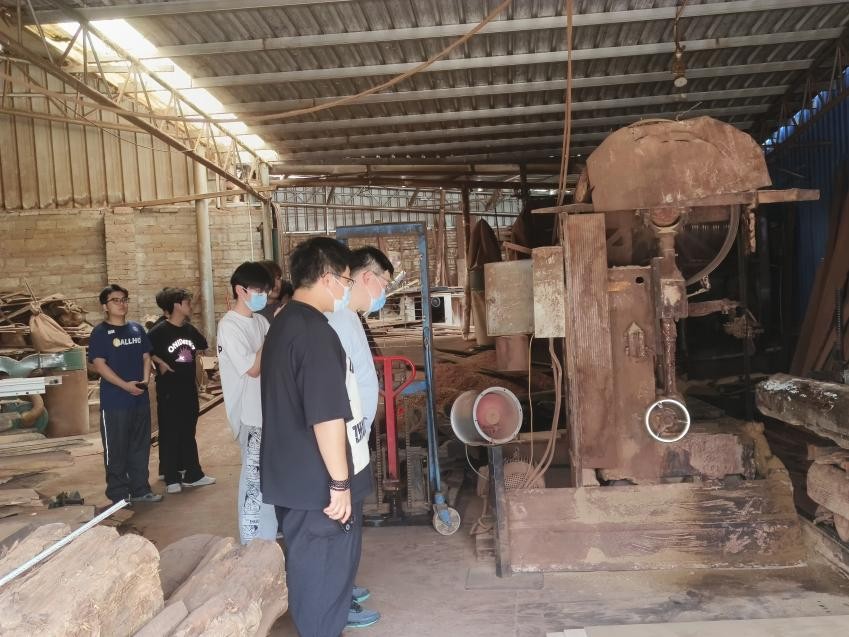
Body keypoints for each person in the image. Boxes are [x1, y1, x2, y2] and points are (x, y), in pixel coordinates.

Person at [261, 237, 379, 636]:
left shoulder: (285, 323)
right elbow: (326, 416)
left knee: (312, 571)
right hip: (319, 487)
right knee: (324, 577)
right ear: (327, 278)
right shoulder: (314, 333)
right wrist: (340, 483)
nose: (347, 290)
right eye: (346, 280)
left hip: (294, 478)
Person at [217, 262, 279, 544]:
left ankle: (268, 536)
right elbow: (253, 368)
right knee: (254, 483)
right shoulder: (229, 326)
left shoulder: (260, 322)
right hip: (249, 416)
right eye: (258, 290)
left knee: (268, 478)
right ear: (240, 290)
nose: (263, 296)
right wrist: (273, 336)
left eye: (266, 290)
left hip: (266, 412)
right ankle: (252, 543)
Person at [88, 284, 162, 505]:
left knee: (140, 446)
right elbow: (99, 365)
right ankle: (119, 494)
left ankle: (140, 489)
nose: (121, 304)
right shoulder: (100, 333)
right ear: (105, 306)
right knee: (116, 449)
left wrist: (145, 380)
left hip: (139, 399)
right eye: (115, 300)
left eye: (124, 299)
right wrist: (125, 386)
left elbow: (146, 357)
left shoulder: (137, 329)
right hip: (115, 402)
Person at [148, 287, 216, 494]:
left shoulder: (189, 330)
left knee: (188, 431)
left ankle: (191, 474)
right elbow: (143, 351)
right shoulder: (159, 331)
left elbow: (203, 345)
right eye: (187, 302)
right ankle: (171, 477)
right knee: (170, 432)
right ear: (176, 305)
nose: (191, 306)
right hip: (169, 390)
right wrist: (158, 361)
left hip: (188, 389)